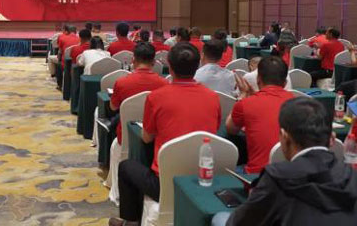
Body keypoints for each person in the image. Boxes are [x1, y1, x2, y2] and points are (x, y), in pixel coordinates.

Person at [110, 43, 221, 225]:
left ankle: (131, 222)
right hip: (202, 179)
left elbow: (147, 138)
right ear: (197, 66)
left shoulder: (156, 97)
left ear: (169, 66)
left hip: (164, 185)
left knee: (126, 167)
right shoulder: (213, 97)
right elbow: (212, 133)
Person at [220, 97, 357, 226]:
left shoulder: (277, 177)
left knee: (221, 218)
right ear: (332, 139)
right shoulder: (351, 175)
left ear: (284, 137)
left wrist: (256, 197)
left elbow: (238, 223)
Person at [107, 43, 168, 205]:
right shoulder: (165, 84)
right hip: (156, 138)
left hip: (125, 137)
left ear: (133, 60)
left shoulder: (122, 82)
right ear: (154, 62)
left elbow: (113, 107)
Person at [227, 56, 294, 174]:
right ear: (285, 83)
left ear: (258, 79)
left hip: (256, 175)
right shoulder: (296, 102)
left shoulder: (245, 103)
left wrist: (242, 96)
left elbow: (231, 129)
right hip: (290, 173)